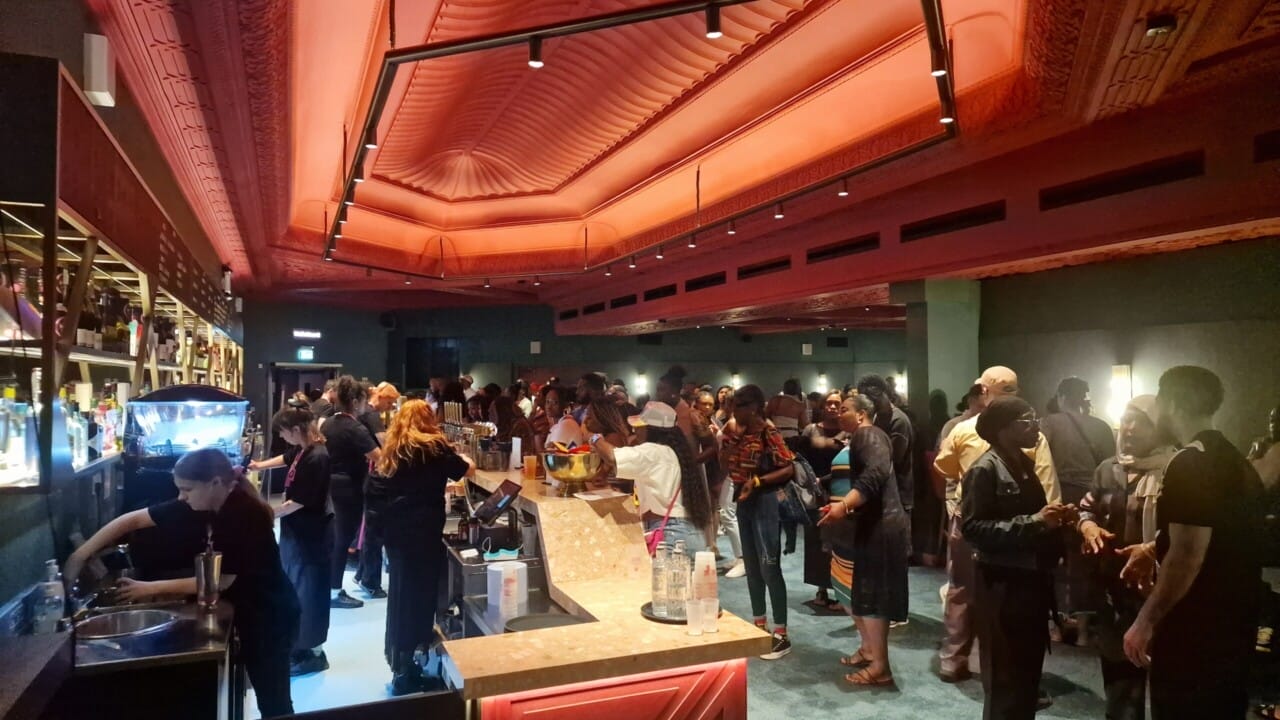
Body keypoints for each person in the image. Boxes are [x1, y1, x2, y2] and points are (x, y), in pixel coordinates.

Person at [65, 449, 300, 717]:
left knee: (274, 703)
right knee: (270, 700)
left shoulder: (244, 514)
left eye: (186, 489)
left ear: (214, 483)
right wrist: (80, 554)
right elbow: (132, 520)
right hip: (250, 610)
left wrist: (149, 588)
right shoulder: (204, 503)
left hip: (271, 615)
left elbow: (220, 581)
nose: (181, 497)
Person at [1121, 366, 1265, 719]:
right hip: (1234, 622)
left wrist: (1145, 620)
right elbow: (1223, 534)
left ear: (1171, 402)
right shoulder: (1235, 460)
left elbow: (1187, 555)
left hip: (1195, 628)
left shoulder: (1189, 462)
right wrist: (1153, 547)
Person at [934, 366, 1061, 686]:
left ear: (982, 390)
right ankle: (992, 664)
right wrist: (1045, 524)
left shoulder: (963, 429)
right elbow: (1047, 486)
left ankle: (954, 659)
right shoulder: (1029, 438)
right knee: (1004, 596)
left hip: (966, 518)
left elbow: (943, 466)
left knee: (961, 590)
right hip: (1014, 528)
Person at [961, 397, 1071, 720]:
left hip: (1031, 581)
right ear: (1003, 429)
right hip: (1001, 585)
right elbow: (973, 529)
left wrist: (1056, 522)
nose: (1036, 426)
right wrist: (1037, 522)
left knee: (1027, 675)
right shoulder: (984, 469)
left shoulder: (1024, 463)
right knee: (1004, 677)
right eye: (1027, 420)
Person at [1074, 395, 1177, 720]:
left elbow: (1186, 532)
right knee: (1119, 679)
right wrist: (1088, 526)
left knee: (1167, 679)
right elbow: (1087, 507)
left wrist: (1152, 549)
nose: (1128, 428)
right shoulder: (1109, 468)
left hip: (1160, 589)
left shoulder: (1176, 469)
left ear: (1159, 428)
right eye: (1125, 420)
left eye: (1140, 422)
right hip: (1114, 589)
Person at [377, 399, 474, 694]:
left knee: (400, 596)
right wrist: (463, 455)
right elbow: (466, 470)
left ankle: (400, 663)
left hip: (396, 531)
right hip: (422, 531)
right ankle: (408, 673)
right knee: (419, 598)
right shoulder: (434, 446)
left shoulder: (395, 448)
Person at [818, 394, 911, 686]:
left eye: (845, 409)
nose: (838, 413)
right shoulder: (863, 437)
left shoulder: (868, 434)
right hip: (869, 525)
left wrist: (844, 505)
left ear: (861, 414)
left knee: (873, 597)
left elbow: (876, 474)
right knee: (861, 593)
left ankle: (880, 667)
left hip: (880, 527)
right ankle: (871, 652)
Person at [248, 407, 333, 676]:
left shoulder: (318, 457)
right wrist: (258, 465)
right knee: (296, 586)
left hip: (311, 535)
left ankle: (310, 652)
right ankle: (299, 646)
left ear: (296, 430)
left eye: (283, 432)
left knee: (308, 591)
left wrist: (267, 514)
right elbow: (285, 459)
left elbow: (300, 501)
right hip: (297, 532)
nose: (282, 438)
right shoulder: (302, 450)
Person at [720, 384, 796, 660]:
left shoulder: (768, 431)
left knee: (769, 566)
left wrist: (758, 481)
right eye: (733, 406)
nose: (734, 411)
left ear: (753, 407)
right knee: (752, 566)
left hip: (765, 502)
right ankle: (759, 625)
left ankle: (781, 633)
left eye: (739, 406)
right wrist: (727, 441)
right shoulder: (736, 432)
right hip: (744, 500)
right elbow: (725, 464)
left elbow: (788, 467)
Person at [1040, 376, 1116, 642]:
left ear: (1061, 397)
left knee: (1052, 562)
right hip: (1091, 502)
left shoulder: (1048, 424)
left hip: (1057, 498)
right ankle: (1083, 631)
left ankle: (1056, 626)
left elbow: (1039, 463)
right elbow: (1111, 466)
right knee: (1083, 564)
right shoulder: (1102, 427)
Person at [591, 402, 713, 558]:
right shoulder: (674, 452)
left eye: (640, 426)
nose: (636, 430)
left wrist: (594, 437)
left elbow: (611, 456)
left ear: (651, 429)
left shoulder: (652, 452)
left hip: (670, 535)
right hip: (689, 533)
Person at [322, 375, 380, 609]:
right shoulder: (355, 428)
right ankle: (334, 591)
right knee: (342, 539)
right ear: (355, 402)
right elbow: (380, 458)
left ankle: (331, 587)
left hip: (330, 485)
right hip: (349, 488)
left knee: (336, 538)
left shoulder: (328, 423)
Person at [799, 391, 847, 611]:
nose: (833, 407)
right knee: (816, 542)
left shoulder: (849, 432)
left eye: (837, 403)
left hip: (841, 493)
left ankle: (841, 591)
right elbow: (800, 459)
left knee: (839, 543)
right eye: (829, 403)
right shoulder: (811, 430)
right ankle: (821, 589)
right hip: (815, 494)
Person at [857, 375, 914, 554]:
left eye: (877, 399)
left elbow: (893, 459)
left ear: (886, 393)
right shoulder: (875, 417)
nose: (875, 404)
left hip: (899, 494)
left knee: (897, 552)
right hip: (880, 492)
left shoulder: (899, 420)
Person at [356, 382, 398, 599]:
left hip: (368, 475)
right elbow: (385, 442)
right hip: (374, 476)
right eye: (389, 403)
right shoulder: (372, 416)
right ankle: (370, 581)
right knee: (375, 533)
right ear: (380, 397)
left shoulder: (366, 414)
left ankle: (363, 575)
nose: (389, 408)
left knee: (371, 530)